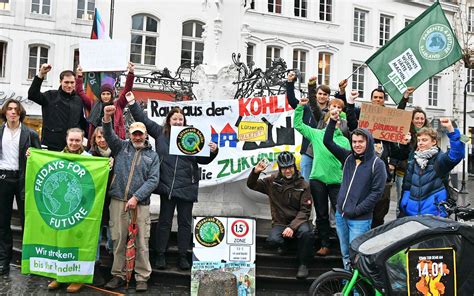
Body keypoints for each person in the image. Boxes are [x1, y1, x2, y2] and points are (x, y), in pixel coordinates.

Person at [126, 92, 218, 270]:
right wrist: (131, 102)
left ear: (184, 121)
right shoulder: (160, 134)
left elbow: (203, 160)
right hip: (167, 187)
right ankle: (160, 254)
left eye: (180, 119)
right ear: (169, 121)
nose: (178, 122)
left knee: (185, 223)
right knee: (164, 222)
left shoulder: (193, 137)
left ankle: (183, 256)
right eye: (175, 119)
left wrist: (213, 151)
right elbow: (143, 119)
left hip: (187, 187)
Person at [102, 105, 160, 292]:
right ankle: (117, 274)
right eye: (134, 134)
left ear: (145, 135)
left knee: (142, 242)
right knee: (118, 240)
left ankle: (142, 277)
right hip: (118, 201)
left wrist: (136, 197)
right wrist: (106, 118)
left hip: (140, 205)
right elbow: (109, 134)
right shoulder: (121, 147)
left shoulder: (152, 156)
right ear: (130, 134)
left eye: (140, 134)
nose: (137, 137)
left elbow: (153, 180)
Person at [323, 107, 387, 269]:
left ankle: (358, 292)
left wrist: (357, 210)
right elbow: (328, 142)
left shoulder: (377, 164)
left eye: (361, 142)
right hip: (341, 215)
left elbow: (376, 193)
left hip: (360, 220)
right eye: (354, 142)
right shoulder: (348, 158)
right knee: (345, 254)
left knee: (357, 257)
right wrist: (332, 121)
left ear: (368, 142)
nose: (357, 145)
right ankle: (347, 285)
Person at [294, 97, 351, 256]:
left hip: (336, 182)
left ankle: (342, 244)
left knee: (340, 214)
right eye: (332, 119)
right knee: (321, 214)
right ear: (326, 122)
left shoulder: (345, 141)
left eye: (338, 120)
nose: (336, 122)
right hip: (318, 179)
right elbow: (298, 125)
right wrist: (299, 108)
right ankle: (324, 244)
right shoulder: (317, 134)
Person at [247, 152, 315, 279]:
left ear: (295, 166)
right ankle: (288, 244)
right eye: (284, 168)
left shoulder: (304, 185)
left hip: (298, 221)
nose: (288, 170)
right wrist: (255, 172)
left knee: (307, 234)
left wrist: (292, 227)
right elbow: (251, 185)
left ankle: (303, 264)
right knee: (273, 241)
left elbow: (305, 211)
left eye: (290, 167)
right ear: (280, 168)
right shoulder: (271, 181)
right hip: (280, 222)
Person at [0, 99, 40, 279]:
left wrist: (33, 155)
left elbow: (40, 159)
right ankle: (3, 261)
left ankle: (29, 261)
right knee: (3, 222)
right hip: (3, 178)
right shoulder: (0, 131)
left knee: (27, 221)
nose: (13, 112)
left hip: (24, 180)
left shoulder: (30, 134)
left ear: (20, 113)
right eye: (10, 109)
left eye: (16, 109)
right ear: (5, 112)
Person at [400, 118, 465, 217]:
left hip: (435, 213)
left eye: (424, 140)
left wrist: (451, 129)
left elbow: (456, 154)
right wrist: (404, 203)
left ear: (434, 142)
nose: (420, 143)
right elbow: (407, 186)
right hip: (412, 214)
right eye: (419, 140)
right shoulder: (413, 162)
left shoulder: (440, 160)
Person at [27, 63, 87, 151]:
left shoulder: (78, 100)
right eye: (66, 82)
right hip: (51, 147)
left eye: (72, 82)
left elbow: (81, 122)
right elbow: (32, 94)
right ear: (60, 82)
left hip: (72, 148)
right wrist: (41, 74)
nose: (69, 85)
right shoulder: (51, 95)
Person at [75, 62, 135, 141]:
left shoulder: (118, 104)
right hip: (97, 140)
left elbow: (127, 90)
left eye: (108, 94)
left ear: (111, 95)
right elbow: (80, 92)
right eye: (103, 94)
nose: (105, 96)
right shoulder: (92, 104)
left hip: (115, 140)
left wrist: (131, 73)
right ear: (100, 95)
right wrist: (79, 76)